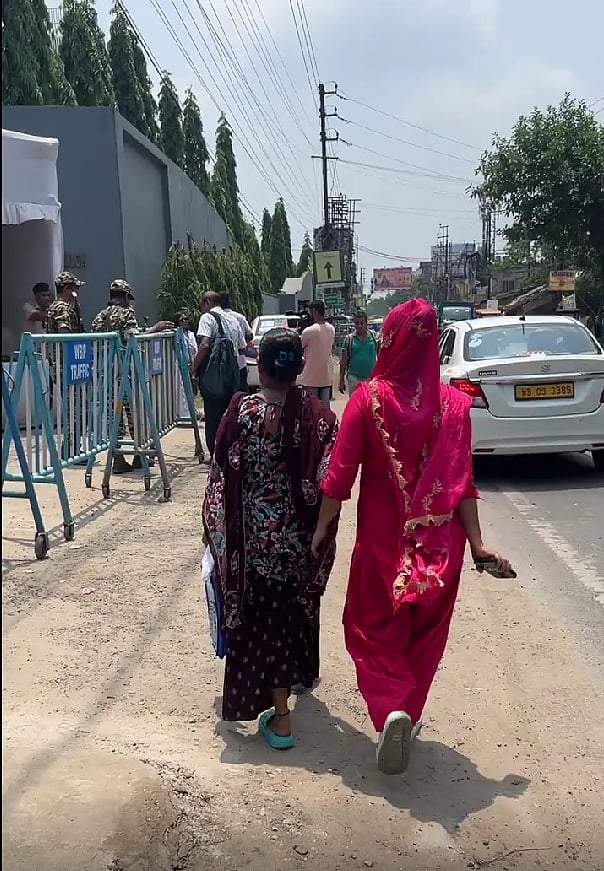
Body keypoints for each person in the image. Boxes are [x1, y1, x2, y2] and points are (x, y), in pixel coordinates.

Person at [311, 299, 511, 775]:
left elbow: (338, 479)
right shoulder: (455, 406)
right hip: (441, 552)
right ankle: (408, 712)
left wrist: (320, 529)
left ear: (392, 340)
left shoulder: (367, 400)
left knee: (370, 630)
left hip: (383, 550)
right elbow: (462, 483)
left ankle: (392, 710)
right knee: (425, 638)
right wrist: (478, 545)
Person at [203, 328, 339, 748]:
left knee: (267, 626)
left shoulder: (240, 413)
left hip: (255, 548)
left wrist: (214, 534)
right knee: (291, 618)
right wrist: (320, 532)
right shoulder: (319, 417)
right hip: (300, 546)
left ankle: (281, 720)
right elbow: (332, 482)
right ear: (300, 367)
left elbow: (220, 477)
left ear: (258, 367)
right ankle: (293, 684)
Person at [91, 279, 172, 473]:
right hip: (126, 372)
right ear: (126, 296)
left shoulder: (100, 316)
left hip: (108, 373)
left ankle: (118, 458)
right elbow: (133, 337)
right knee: (135, 413)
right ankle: (140, 455)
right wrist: (155, 329)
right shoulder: (126, 313)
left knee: (115, 415)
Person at [192, 290, 246, 458]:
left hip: (214, 379)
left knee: (213, 417)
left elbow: (204, 345)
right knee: (229, 415)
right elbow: (242, 347)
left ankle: (216, 456)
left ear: (207, 302)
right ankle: (230, 453)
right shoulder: (233, 319)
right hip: (232, 377)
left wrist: (194, 367)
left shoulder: (207, 318)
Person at [299, 300, 335, 407]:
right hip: (326, 377)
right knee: (324, 410)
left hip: (310, 378)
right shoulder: (331, 329)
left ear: (314, 312)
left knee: (311, 410)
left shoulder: (309, 331)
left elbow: (299, 346)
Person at [218, 292, 253, 391]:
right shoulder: (239, 317)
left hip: (222, 360)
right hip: (239, 358)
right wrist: (242, 341)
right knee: (242, 387)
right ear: (230, 302)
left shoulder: (215, 317)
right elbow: (250, 334)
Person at [339, 310, 378, 397]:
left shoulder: (374, 337)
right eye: (357, 323)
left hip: (370, 379)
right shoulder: (349, 339)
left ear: (366, 323)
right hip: (354, 378)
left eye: (362, 323)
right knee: (355, 404)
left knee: (370, 403)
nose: (359, 325)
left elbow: (381, 356)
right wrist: (341, 380)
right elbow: (343, 361)